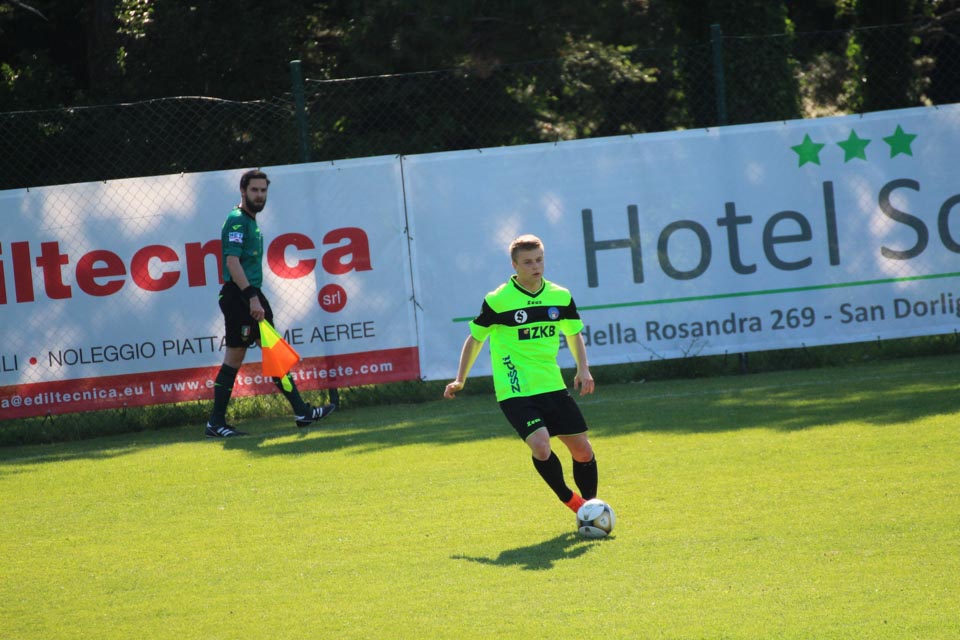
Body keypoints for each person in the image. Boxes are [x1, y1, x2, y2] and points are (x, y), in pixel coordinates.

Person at [444, 234, 599, 514]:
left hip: (551, 385)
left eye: (539, 260)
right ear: (514, 265)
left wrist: (583, 368)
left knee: (583, 451)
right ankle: (575, 504)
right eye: (528, 262)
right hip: (515, 389)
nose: (535, 266)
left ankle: (592, 508)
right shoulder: (498, 300)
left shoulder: (560, 296)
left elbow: (573, 333)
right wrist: (460, 379)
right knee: (541, 446)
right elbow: (476, 338)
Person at [206, 169, 336, 438]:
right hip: (240, 296)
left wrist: (254, 296)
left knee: (273, 352)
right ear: (243, 191)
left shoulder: (249, 221)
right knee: (236, 358)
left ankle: (302, 412)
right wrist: (252, 297)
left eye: (263, 191)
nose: (259, 195)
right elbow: (232, 262)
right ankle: (216, 423)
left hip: (248, 295)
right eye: (254, 190)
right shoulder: (237, 221)